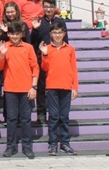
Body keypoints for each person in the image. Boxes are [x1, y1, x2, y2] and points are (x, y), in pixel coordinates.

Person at [0, 22, 39, 159]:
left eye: (17, 34)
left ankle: (27, 147)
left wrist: (34, 86)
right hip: (10, 89)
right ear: (8, 34)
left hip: (26, 89)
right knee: (11, 119)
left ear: (22, 34)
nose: (14, 36)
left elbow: (35, 67)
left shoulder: (28, 47)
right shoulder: (5, 46)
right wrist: (2, 55)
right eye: (12, 34)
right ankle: (11, 147)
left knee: (26, 119)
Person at [40, 21, 79, 156]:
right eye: (55, 33)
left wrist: (75, 87)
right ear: (51, 34)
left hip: (66, 86)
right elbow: (45, 68)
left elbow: (74, 68)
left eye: (59, 33)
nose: (57, 35)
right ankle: (52, 143)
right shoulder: (47, 48)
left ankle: (65, 143)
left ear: (64, 34)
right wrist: (44, 54)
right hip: (52, 86)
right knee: (53, 116)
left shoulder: (70, 49)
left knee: (64, 116)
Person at [31, 0, 69, 126]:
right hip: (42, 59)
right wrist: (35, 30)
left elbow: (66, 42)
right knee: (41, 88)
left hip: (57, 60)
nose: (48, 9)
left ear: (55, 8)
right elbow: (33, 42)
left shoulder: (60, 22)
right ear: (43, 7)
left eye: (51, 7)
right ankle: (41, 114)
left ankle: (56, 115)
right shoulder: (39, 22)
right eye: (46, 7)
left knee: (56, 89)